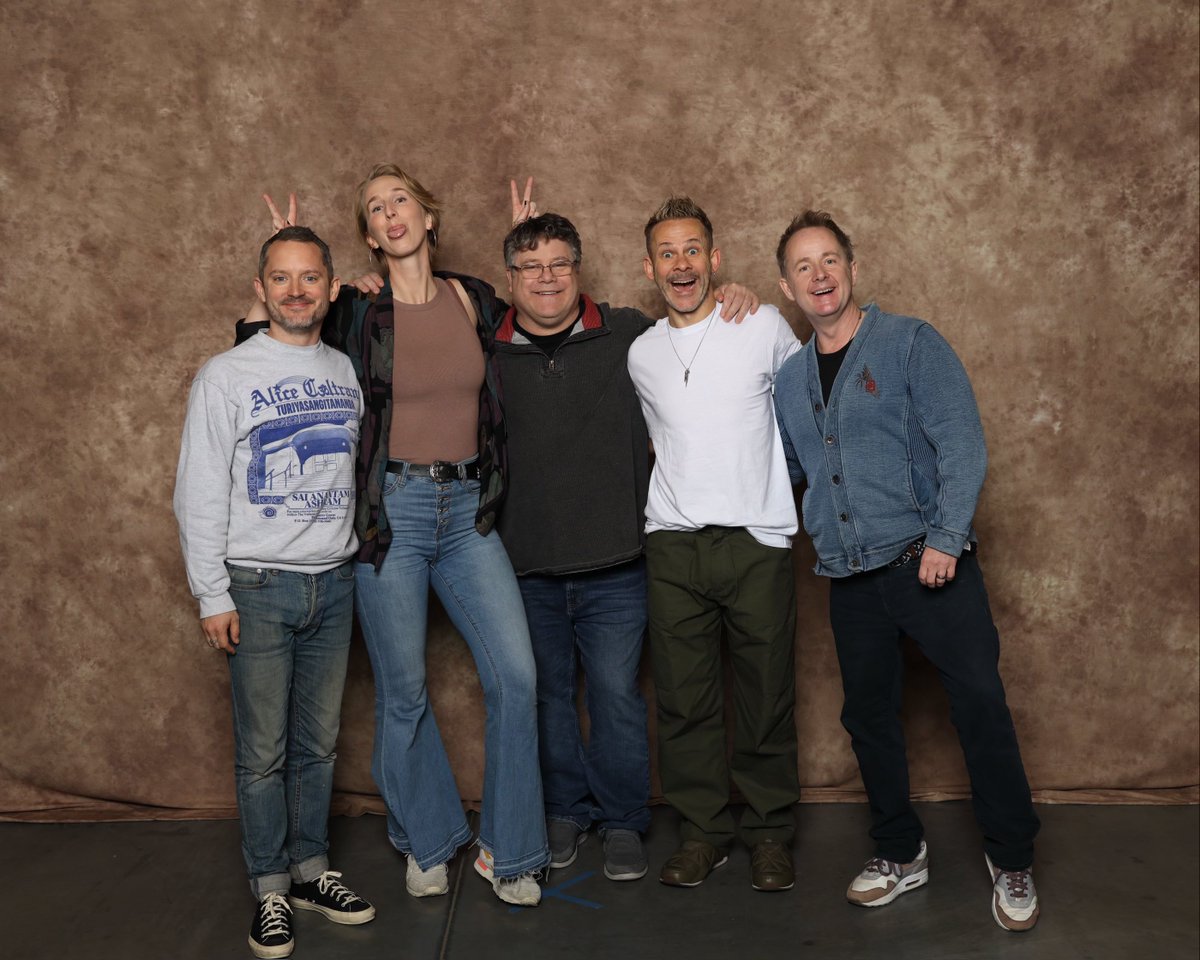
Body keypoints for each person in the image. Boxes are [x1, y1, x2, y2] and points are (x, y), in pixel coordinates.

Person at [772, 210, 1041, 931]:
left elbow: (963, 444)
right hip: (851, 577)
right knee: (868, 720)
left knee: (979, 704)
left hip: (932, 562)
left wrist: (946, 540)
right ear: (786, 284)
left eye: (830, 259)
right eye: (804, 265)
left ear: (852, 268)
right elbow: (798, 472)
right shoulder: (791, 380)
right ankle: (899, 851)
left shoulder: (910, 343)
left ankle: (1012, 858)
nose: (819, 275)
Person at [493, 209, 759, 882]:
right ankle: (565, 809)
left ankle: (621, 820)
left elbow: (699, 329)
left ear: (579, 271)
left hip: (618, 563)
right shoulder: (487, 350)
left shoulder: (630, 335)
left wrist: (739, 297)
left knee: (614, 694)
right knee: (547, 696)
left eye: (559, 263)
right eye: (531, 266)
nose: (546, 278)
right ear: (511, 279)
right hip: (525, 566)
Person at [175, 226, 373, 959]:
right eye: (282, 278)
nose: (297, 291)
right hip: (256, 586)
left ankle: (312, 869)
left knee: (318, 747)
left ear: (330, 287)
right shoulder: (225, 375)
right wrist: (211, 594)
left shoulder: (346, 371)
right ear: (261, 289)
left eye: (311, 278)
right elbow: (197, 491)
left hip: (335, 579)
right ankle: (269, 888)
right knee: (263, 752)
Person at [626, 197, 802, 892]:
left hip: (757, 541)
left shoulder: (759, 323)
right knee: (684, 700)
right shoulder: (639, 353)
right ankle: (703, 832)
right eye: (667, 253)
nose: (681, 264)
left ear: (715, 257)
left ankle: (768, 832)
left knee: (765, 695)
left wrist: (783, 497)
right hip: (673, 545)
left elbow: (805, 411)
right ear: (649, 267)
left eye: (692, 249)